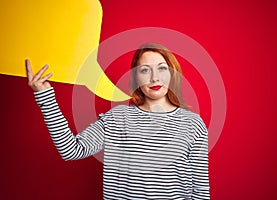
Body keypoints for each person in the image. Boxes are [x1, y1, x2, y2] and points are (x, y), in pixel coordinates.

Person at [26, 42, 210, 199]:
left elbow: (200, 190)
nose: (154, 77)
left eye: (162, 68)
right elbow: (71, 151)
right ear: (136, 78)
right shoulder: (117, 118)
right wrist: (44, 95)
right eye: (145, 70)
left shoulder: (193, 124)